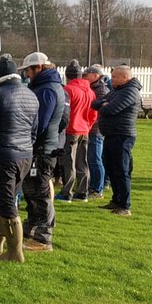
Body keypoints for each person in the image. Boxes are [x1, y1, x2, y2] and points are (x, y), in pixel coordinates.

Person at [0, 54, 39, 262]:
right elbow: (34, 130)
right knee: (8, 198)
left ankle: (15, 252)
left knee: (7, 202)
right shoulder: (31, 95)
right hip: (25, 155)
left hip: (4, 155)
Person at [18, 52, 67, 253]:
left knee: (39, 192)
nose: (26, 75)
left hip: (42, 149)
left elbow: (40, 122)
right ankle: (31, 230)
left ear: (38, 68)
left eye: (28, 70)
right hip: (44, 145)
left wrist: (27, 138)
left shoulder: (47, 90)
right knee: (32, 191)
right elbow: (63, 119)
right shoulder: (52, 86)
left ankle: (43, 238)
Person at [92, 65, 142, 217]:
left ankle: (125, 206)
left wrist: (104, 105)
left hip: (122, 135)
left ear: (124, 78)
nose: (111, 79)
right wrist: (104, 104)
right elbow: (95, 103)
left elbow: (109, 110)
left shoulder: (130, 91)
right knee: (111, 168)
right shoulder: (117, 90)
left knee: (121, 170)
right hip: (111, 134)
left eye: (114, 77)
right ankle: (116, 200)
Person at [57, 61, 96, 202]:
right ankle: (83, 192)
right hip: (84, 129)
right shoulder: (90, 91)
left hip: (71, 129)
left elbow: (64, 111)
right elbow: (93, 113)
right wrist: (88, 126)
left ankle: (67, 192)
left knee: (69, 162)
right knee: (82, 161)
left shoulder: (68, 90)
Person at [83, 64, 110, 199]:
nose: (84, 77)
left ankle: (97, 189)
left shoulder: (101, 90)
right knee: (92, 159)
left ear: (95, 75)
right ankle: (94, 185)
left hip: (96, 129)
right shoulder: (96, 88)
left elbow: (97, 110)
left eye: (86, 75)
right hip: (92, 128)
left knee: (95, 159)